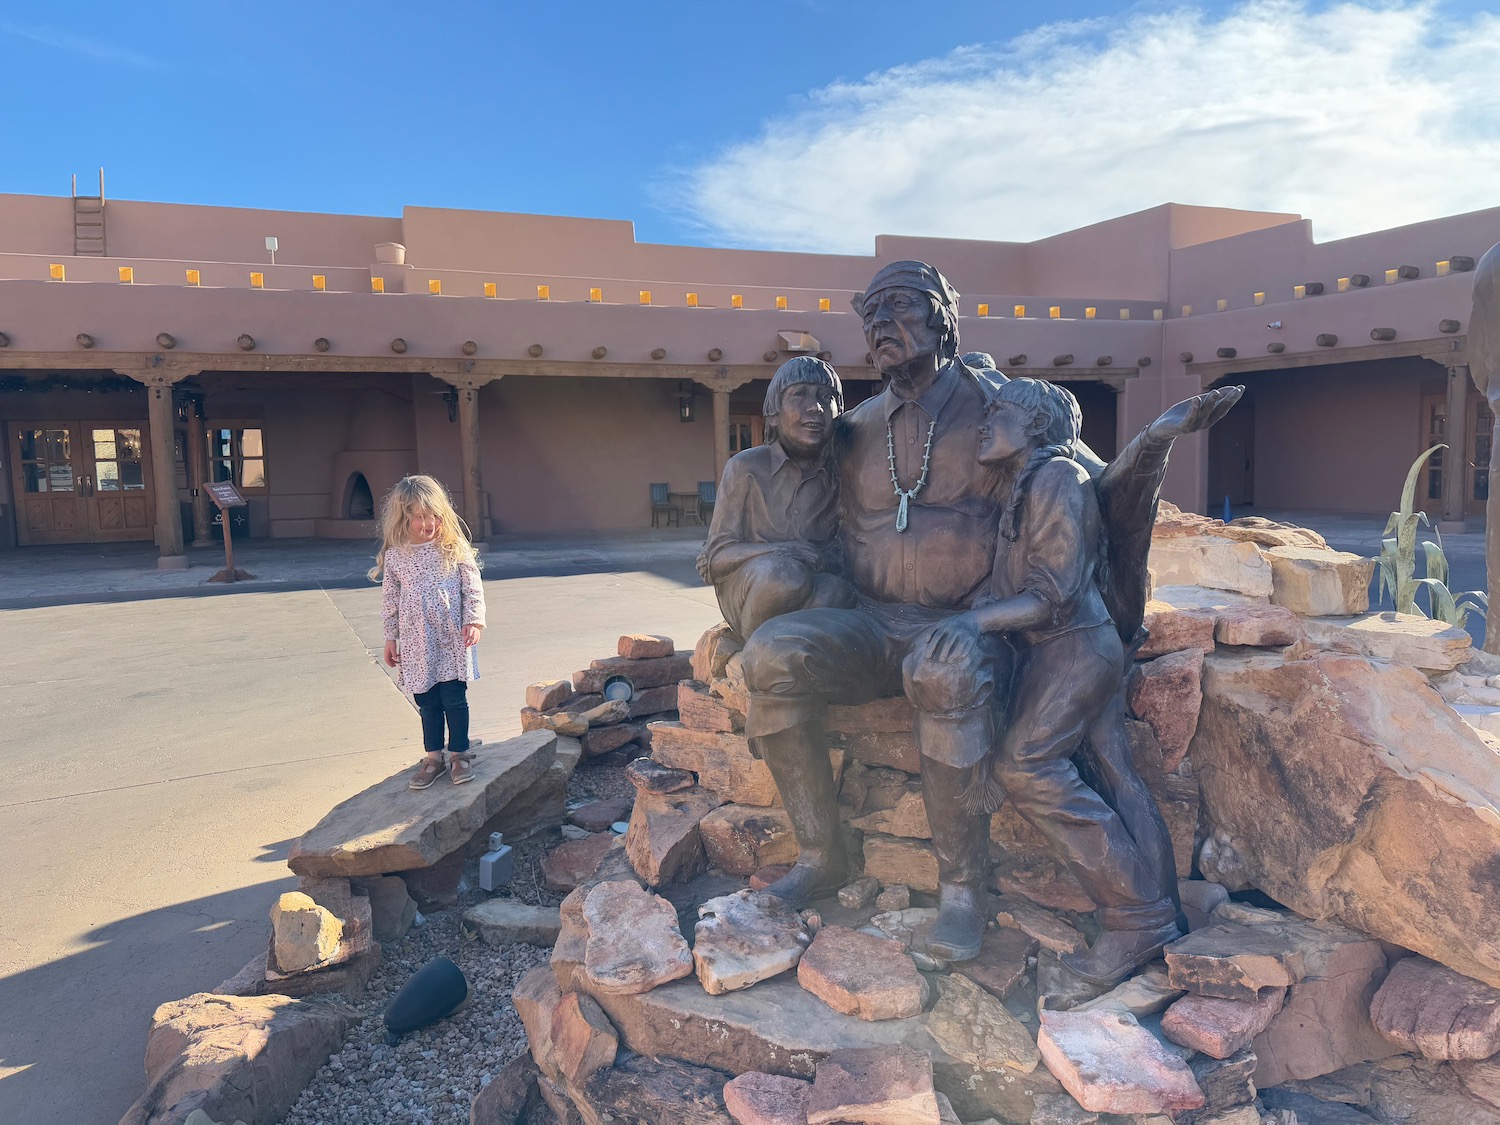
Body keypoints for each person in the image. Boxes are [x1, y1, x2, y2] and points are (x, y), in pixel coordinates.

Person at [927, 378, 1179, 981]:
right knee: (1115, 772)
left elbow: (1055, 593)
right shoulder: (1028, 482)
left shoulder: (1058, 479)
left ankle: (1138, 920)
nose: (985, 422)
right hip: (1070, 650)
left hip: (1073, 649)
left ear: (1036, 425)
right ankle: (1166, 919)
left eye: (1000, 412)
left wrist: (972, 622)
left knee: (1027, 767)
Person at [697, 356, 856, 641]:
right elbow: (715, 559)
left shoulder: (841, 474)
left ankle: (788, 653)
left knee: (838, 592)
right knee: (784, 575)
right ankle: (756, 649)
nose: (815, 407)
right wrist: (784, 550)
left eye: (826, 396)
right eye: (799, 394)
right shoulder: (746, 467)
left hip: (814, 586)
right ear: (773, 413)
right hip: (752, 588)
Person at [369, 475, 487, 790]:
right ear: (404, 517)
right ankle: (433, 757)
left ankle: (459, 753)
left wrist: (474, 621)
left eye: (434, 515)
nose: (428, 523)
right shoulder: (397, 554)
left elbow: (471, 585)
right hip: (416, 642)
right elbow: (390, 599)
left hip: (450, 637)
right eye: (420, 517)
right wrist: (390, 637)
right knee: (428, 701)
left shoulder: (452, 546)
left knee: (454, 697)